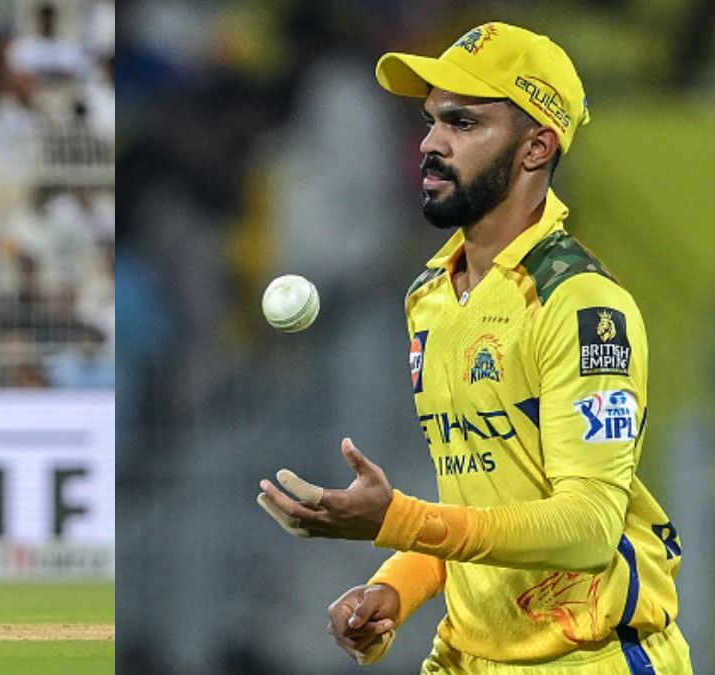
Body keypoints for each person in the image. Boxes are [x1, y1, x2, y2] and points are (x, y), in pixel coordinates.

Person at [256, 23, 692, 673]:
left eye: (463, 122)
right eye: (431, 120)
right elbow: (481, 502)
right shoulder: (431, 295)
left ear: (536, 147)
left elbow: (589, 527)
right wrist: (396, 587)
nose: (430, 142)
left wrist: (398, 518)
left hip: (588, 657)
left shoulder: (580, 305)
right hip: (468, 655)